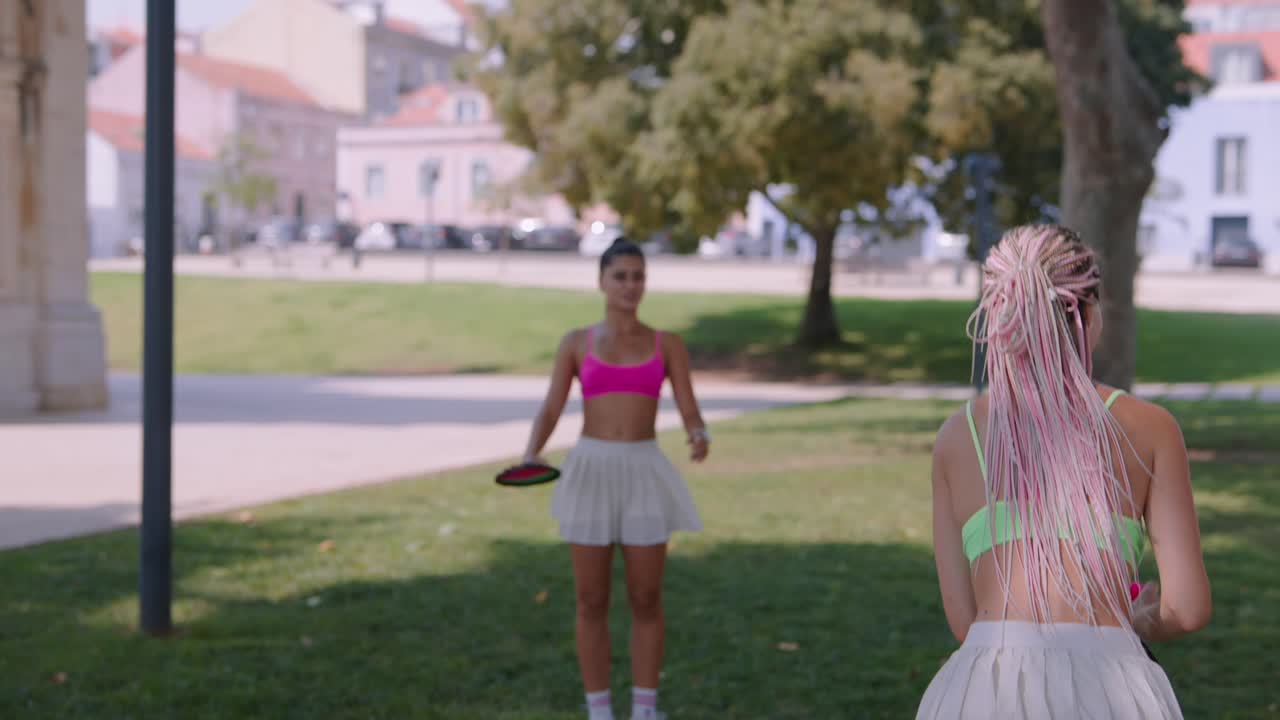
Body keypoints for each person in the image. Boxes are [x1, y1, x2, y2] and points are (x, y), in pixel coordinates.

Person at [918, 224, 1212, 718]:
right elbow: (1187, 608)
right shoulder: (1152, 428)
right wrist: (1134, 621)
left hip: (984, 692)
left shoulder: (956, 436)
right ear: (1089, 314)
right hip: (1110, 686)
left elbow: (965, 619)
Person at [522, 237, 709, 720]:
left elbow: (689, 406)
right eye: (620, 276)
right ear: (601, 281)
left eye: (638, 276)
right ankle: (599, 710)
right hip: (591, 471)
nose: (630, 285)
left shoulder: (667, 343)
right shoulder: (577, 342)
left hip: (644, 471)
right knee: (590, 599)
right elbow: (551, 405)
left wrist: (697, 432)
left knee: (646, 598)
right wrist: (531, 452)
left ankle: (645, 710)